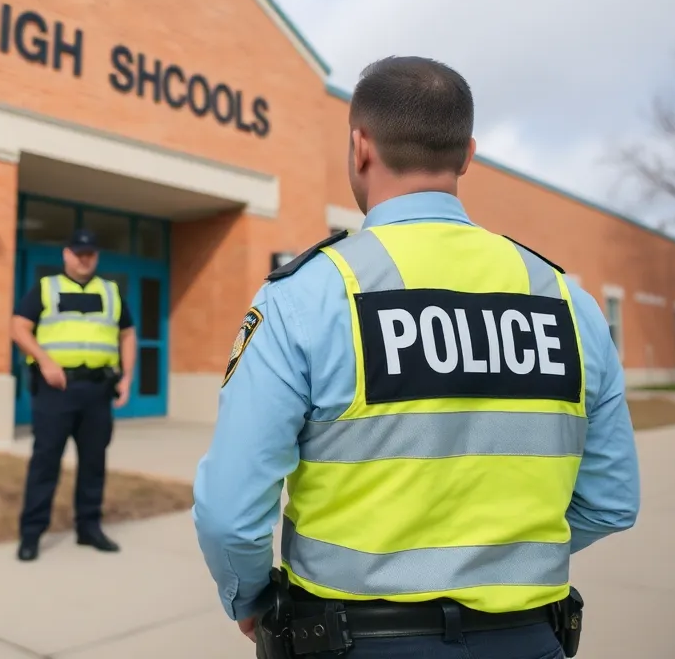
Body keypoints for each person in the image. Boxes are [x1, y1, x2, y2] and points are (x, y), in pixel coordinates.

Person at [192, 56, 640, 658]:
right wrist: (503, 564)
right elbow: (611, 502)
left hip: (353, 641)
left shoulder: (308, 295)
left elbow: (229, 511)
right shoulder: (567, 302)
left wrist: (249, 597)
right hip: (529, 640)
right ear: (467, 155)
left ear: (360, 147)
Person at [11, 228, 137, 562]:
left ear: (96, 257)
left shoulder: (110, 291)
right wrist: (44, 360)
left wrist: (127, 377)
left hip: (97, 390)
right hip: (56, 390)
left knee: (94, 462)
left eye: (90, 254)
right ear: (66, 254)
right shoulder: (46, 288)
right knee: (45, 461)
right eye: (78, 253)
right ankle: (31, 534)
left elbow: (127, 334)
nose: (84, 259)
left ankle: (89, 528)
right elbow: (18, 327)